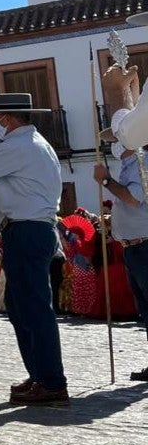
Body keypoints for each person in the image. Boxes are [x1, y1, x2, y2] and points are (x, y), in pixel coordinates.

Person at [0, 93, 67, 406]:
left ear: (7, 120)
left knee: (33, 308)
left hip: (27, 231)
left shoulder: (20, 147)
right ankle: (39, 376)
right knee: (21, 307)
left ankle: (51, 381)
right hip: (28, 230)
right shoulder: (32, 145)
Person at [94, 108, 148, 381]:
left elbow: (133, 198)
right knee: (145, 308)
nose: (112, 143)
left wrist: (105, 180)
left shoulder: (142, 163)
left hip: (144, 245)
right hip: (134, 245)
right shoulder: (130, 164)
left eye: (116, 137)